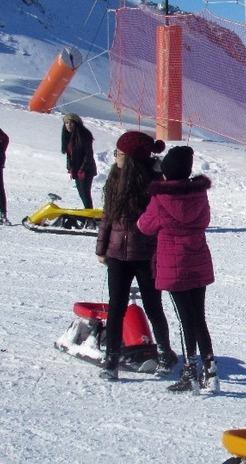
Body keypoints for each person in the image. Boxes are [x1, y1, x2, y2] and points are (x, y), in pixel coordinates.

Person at [95, 131, 178, 381]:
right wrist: (101, 249)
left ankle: (164, 353)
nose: (115, 157)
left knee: (154, 306)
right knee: (116, 307)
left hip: (146, 255)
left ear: (130, 158)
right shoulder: (115, 177)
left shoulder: (154, 183)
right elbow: (107, 216)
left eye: (119, 153)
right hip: (117, 254)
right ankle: (111, 360)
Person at [137, 146, 217, 392]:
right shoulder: (199, 194)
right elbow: (205, 220)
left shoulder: (161, 198)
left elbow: (145, 226)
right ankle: (211, 372)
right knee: (199, 318)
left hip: (174, 264)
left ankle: (190, 373)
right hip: (198, 259)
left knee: (185, 321)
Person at [61, 113, 98, 209]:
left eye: (71, 123)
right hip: (77, 170)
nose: (68, 125)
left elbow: (88, 155)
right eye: (66, 123)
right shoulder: (68, 136)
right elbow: (69, 155)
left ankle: (90, 216)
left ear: (76, 124)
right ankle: (89, 214)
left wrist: (82, 169)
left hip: (86, 169)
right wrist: (69, 167)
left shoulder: (84, 135)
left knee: (85, 193)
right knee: (81, 193)